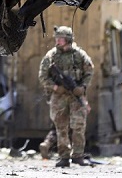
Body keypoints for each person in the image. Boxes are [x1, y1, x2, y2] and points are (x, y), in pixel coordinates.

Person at [38, 26, 94, 168]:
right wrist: (56, 87)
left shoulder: (79, 55)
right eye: (56, 38)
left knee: (78, 126)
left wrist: (82, 87)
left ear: (68, 39)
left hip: (75, 95)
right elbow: (43, 76)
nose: (57, 41)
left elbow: (89, 71)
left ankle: (78, 155)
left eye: (60, 38)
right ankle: (63, 156)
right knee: (61, 126)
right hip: (59, 96)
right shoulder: (51, 56)